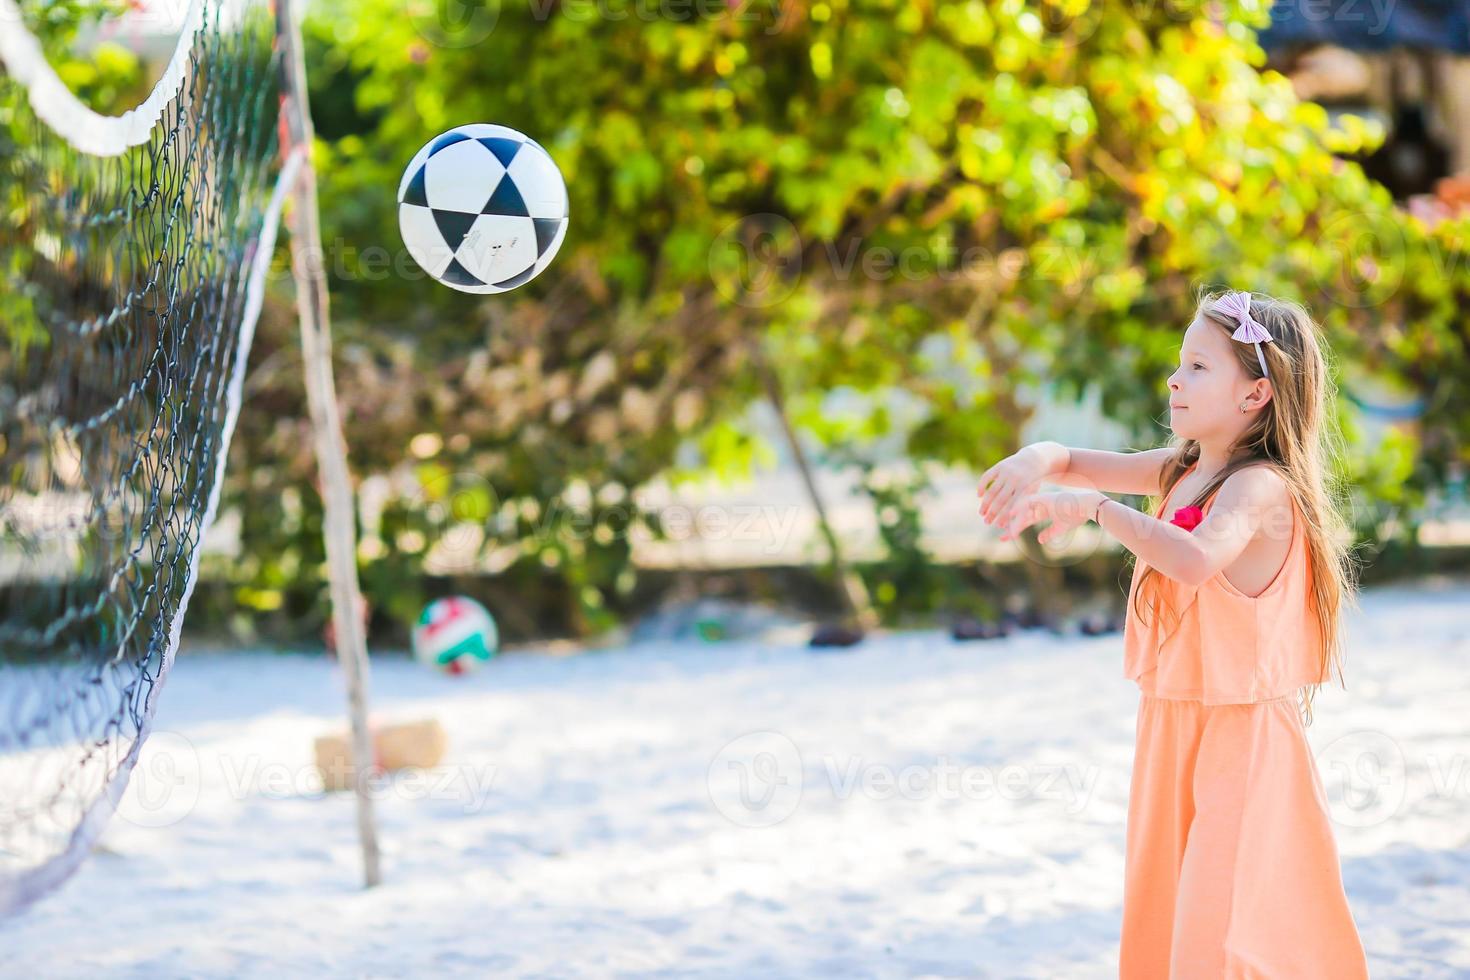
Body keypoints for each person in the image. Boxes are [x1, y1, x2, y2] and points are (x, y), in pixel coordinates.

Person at [975, 288, 1371, 977]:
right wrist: (1035, 459)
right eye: (1179, 364)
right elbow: (1071, 458)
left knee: (1221, 921)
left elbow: (1192, 559)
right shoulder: (1182, 470)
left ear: (1255, 395)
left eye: (1196, 367)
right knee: (1163, 899)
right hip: (1171, 722)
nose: (1174, 380)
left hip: (1241, 732)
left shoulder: (1261, 488)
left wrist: (1098, 510)